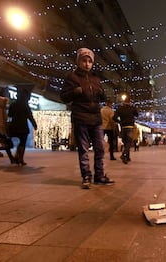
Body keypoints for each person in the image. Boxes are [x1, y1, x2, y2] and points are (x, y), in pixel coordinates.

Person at [60, 47, 114, 189]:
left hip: (96, 118)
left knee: (100, 148)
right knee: (83, 149)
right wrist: (75, 92)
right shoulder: (72, 77)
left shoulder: (96, 78)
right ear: (79, 61)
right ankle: (86, 176)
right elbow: (64, 97)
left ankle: (99, 175)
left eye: (89, 61)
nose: (87, 64)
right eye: (84, 60)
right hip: (81, 117)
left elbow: (101, 97)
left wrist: (102, 94)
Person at [8, 89, 38, 166]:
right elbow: (30, 116)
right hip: (23, 127)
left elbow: (10, 115)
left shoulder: (13, 104)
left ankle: (15, 157)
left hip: (13, 126)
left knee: (17, 142)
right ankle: (20, 159)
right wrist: (34, 124)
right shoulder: (25, 106)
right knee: (22, 143)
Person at [113, 95, 138, 164]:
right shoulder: (132, 108)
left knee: (125, 143)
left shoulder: (120, 108)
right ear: (130, 101)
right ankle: (124, 155)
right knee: (129, 143)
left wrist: (120, 121)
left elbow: (114, 118)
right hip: (130, 126)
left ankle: (127, 157)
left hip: (123, 127)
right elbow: (137, 114)